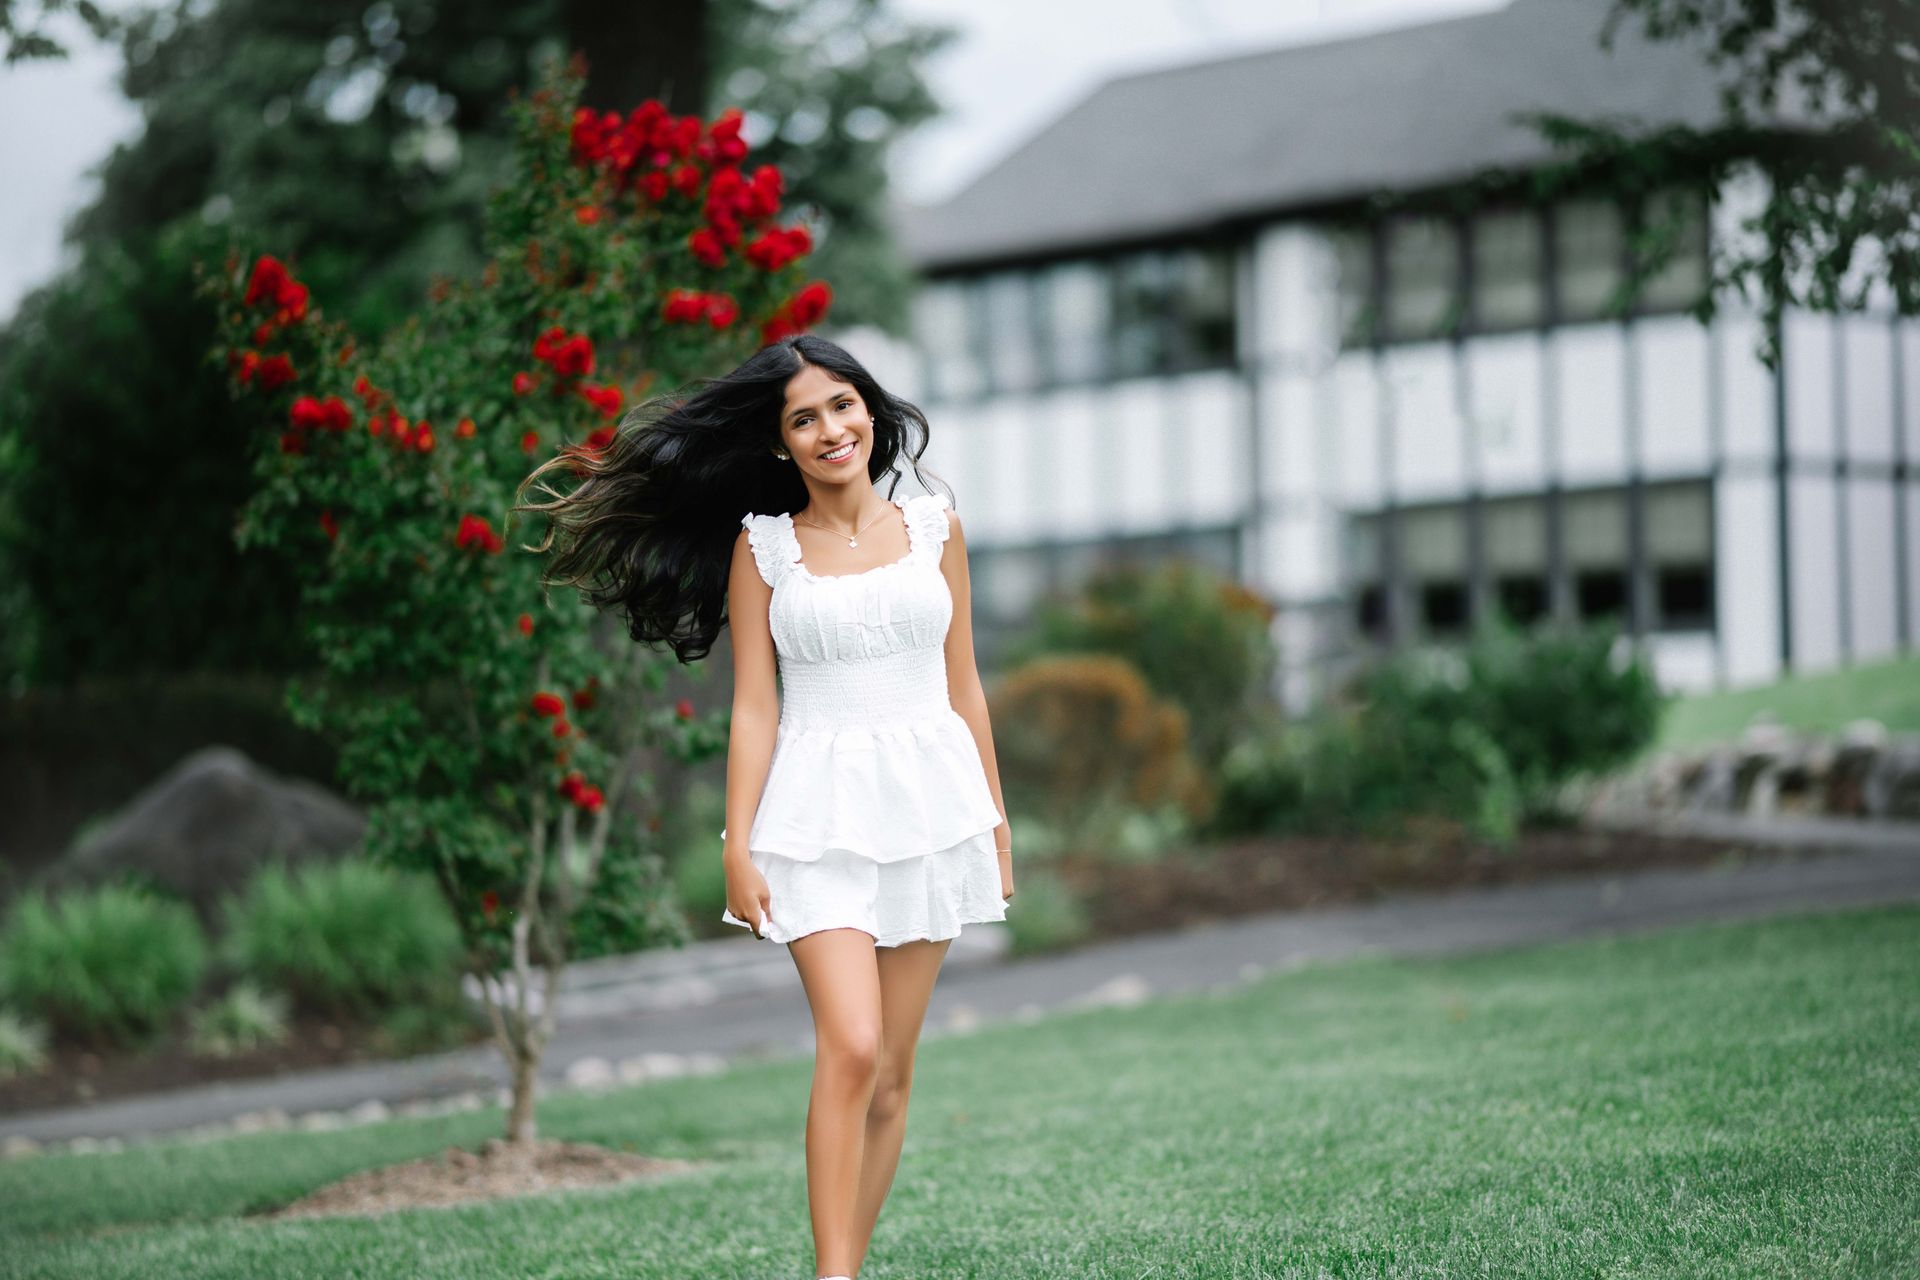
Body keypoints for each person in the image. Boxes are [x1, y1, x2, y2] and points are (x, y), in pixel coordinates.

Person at [516, 333, 1015, 1280]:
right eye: (804, 419)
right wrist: (736, 845)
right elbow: (754, 708)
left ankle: (847, 1269)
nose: (831, 429)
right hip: (816, 814)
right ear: (780, 445)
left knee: (895, 1075)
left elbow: (967, 689)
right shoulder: (765, 546)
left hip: (932, 810)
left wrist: (995, 826)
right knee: (854, 1047)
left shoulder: (937, 529)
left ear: (870, 410)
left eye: (842, 406)